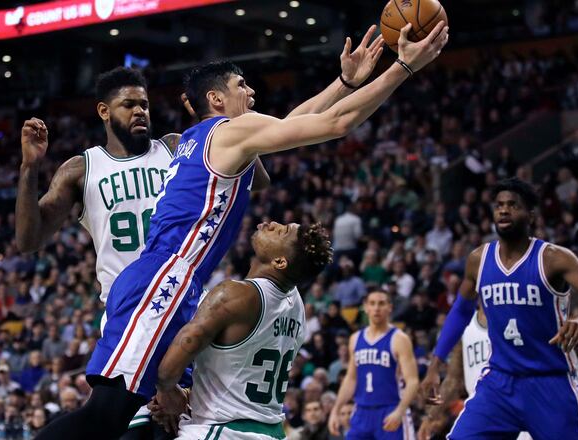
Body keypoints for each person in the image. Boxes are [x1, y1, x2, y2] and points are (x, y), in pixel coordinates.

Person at [36, 21, 446, 439]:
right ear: (216, 99)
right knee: (104, 416)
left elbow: (289, 123)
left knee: (149, 423)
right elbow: (336, 124)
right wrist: (403, 68)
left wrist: (344, 83)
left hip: (169, 279)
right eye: (241, 85)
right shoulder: (227, 131)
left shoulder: (204, 137)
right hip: (163, 279)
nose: (251, 93)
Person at [16, 67, 188, 436]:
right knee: (108, 420)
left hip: (182, 304)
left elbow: (251, 175)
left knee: (174, 423)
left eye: (144, 104)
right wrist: (30, 168)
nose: (140, 111)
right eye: (129, 104)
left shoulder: (175, 148)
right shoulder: (81, 169)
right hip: (130, 311)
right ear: (104, 111)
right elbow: (28, 240)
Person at [420, 177, 578, 439]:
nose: (504, 210)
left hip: (549, 381)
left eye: (513, 205)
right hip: (500, 382)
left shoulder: (552, 258)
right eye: (499, 205)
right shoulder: (479, 259)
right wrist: (435, 364)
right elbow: (461, 311)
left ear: (530, 215)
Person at [148, 221, 333, 439]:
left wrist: (168, 392)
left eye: (281, 232)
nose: (272, 224)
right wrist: (191, 395)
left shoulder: (235, 295)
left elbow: (170, 368)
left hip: (224, 431)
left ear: (280, 262)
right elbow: (240, 374)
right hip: (271, 431)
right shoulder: (297, 305)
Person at [418, 304, 532, 439]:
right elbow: (453, 380)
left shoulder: (513, 318)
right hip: (480, 413)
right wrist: (431, 416)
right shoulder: (466, 327)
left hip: (514, 409)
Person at [327, 290, 420, 439]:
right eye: (372, 303)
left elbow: (413, 381)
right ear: (366, 307)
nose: (376, 308)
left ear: (390, 307)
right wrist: (336, 410)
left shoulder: (399, 339)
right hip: (361, 410)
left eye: (381, 303)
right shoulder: (355, 339)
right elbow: (351, 379)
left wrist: (400, 411)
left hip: (391, 409)